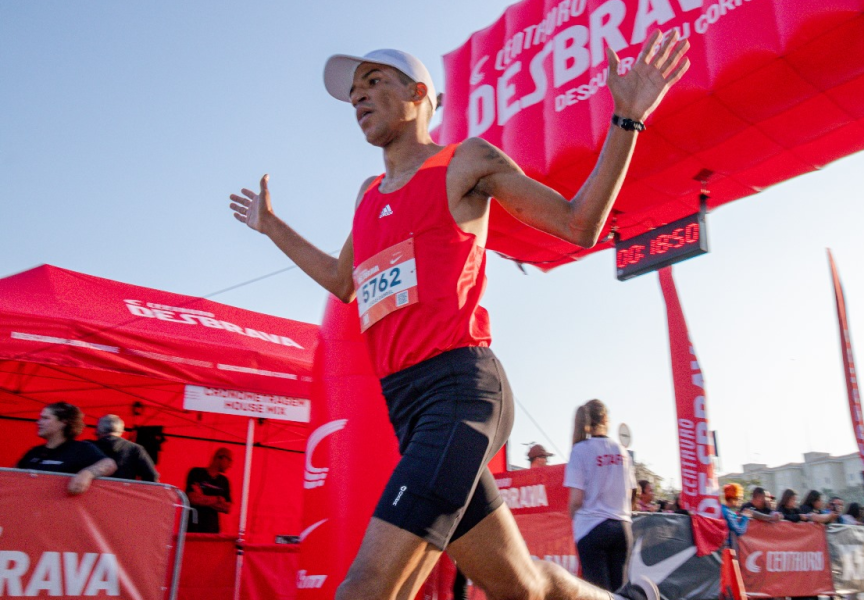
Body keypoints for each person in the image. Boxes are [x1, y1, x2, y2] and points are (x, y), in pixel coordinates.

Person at [228, 26, 689, 600]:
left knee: (365, 587)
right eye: (353, 92)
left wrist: (626, 119)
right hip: (407, 407)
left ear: (418, 92)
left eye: (373, 81)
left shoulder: (464, 161)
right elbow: (344, 283)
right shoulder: (369, 195)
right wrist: (272, 227)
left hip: (460, 392)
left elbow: (579, 223)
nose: (358, 97)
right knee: (522, 587)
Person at [564, 399, 637, 592]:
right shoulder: (622, 451)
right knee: (620, 593)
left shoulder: (580, 450)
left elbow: (576, 500)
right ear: (605, 418)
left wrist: (573, 515)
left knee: (597, 594)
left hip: (591, 528)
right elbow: (631, 493)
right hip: (622, 528)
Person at [17, 402, 117, 494]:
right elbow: (11, 477)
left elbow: (109, 464)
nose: (39, 422)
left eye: (45, 418)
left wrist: (87, 474)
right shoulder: (33, 452)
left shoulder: (80, 449)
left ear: (63, 422)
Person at [93, 414, 159, 482]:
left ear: (98, 431)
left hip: (92, 488)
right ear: (121, 431)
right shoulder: (135, 449)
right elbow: (152, 476)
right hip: (124, 488)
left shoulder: (89, 447)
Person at [186, 447, 233, 533]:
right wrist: (218, 499)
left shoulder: (224, 481)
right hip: (194, 527)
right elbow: (192, 498)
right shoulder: (196, 473)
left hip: (212, 530)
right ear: (220, 457)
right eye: (229, 460)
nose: (230, 465)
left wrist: (202, 497)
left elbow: (227, 508)